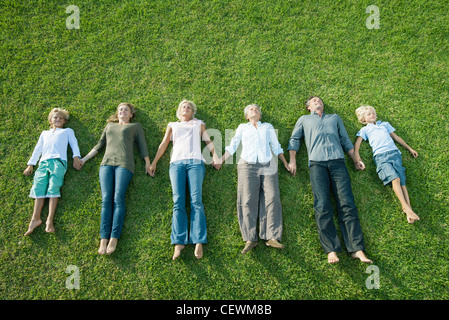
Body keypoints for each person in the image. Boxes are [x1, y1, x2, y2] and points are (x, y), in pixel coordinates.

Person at [287, 96, 372, 264]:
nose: (317, 101)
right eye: (314, 100)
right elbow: (294, 139)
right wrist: (292, 160)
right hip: (317, 164)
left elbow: (345, 140)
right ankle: (331, 249)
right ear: (308, 107)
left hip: (338, 163)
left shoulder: (334, 118)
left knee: (347, 203)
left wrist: (355, 159)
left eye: (319, 100)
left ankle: (356, 248)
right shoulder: (304, 119)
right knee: (322, 205)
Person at [149, 100, 219, 260]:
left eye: (188, 107)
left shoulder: (198, 124)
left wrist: (215, 155)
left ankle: (198, 240)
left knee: (196, 201)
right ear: (179, 112)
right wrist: (154, 162)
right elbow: (164, 143)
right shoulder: (173, 125)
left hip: (195, 162)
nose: (185, 108)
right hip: (176, 164)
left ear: (192, 111)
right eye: (183, 107)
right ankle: (179, 242)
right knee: (178, 201)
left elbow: (208, 140)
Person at [215, 104, 289, 254]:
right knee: (247, 200)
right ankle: (250, 238)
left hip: (268, 165)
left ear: (260, 115)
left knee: (272, 198)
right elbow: (233, 145)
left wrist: (286, 163)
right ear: (247, 116)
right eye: (251, 109)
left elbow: (276, 146)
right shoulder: (242, 127)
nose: (254, 110)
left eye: (256, 109)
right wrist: (221, 160)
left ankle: (272, 236)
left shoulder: (267, 127)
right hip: (247, 166)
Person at [80, 102, 151, 255]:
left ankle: (114, 238)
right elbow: (99, 146)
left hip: (124, 165)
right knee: (106, 200)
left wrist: (148, 163)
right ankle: (103, 239)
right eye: (120, 110)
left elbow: (142, 146)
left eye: (126, 110)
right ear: (117, 113)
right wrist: (84, 159)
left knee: (118, 199)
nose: (123, 111)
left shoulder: (135, 126)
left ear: (131, 114)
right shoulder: (110, 126)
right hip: (106, 164)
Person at [354, 105, 420, 223]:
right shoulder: (365, 130)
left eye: (373, 113)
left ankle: (409, 210)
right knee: (395, 180)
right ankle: (405, 207)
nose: (372, 115)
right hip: (381, 156)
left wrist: (410, 149)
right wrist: (357, 156)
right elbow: (358, 143)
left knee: (402, 181)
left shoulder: (384, 124)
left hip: (395, 154)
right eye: (369, 114)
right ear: (363, 119)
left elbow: (396, 137)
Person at [23, 108, 82, 236]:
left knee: (53, 187)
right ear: (50, 120)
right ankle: (35, 218)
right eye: (55, 117)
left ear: (65, 121)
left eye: (61, 118)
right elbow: (37, 149)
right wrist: (30, 164)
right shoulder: (44, 133)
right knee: (39, 187)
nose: (58, 119)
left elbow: (74, 143)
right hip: (43, 163)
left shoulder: (67, 131)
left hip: (58, 162)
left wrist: (76, 157)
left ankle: (49, 220)